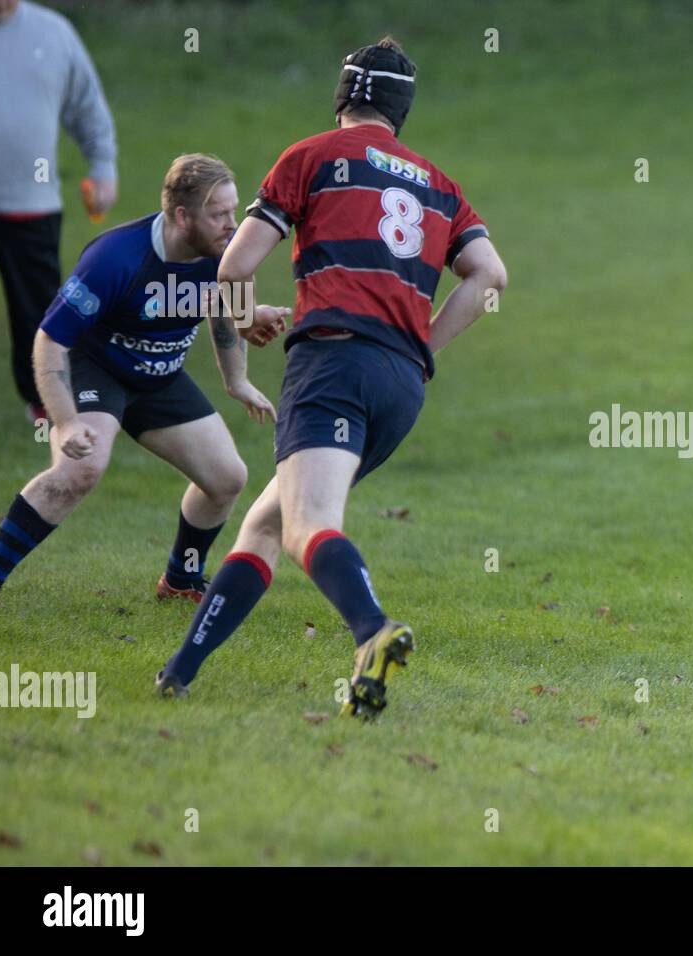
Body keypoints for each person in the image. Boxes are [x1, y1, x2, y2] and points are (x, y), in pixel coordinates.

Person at [156, 38, 507, 720]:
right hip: (401, 386)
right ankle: (178, 673)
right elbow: (490, 275)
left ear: (343, 96)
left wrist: (238, 354)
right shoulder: (438, 184)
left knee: (305, 524)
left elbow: (233, 268)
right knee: (264, 522)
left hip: (334, 363)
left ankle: (372, 629)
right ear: (401, 111)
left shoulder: (311, 157)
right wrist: (421, 347)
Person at [0, 154, 288, 599]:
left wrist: (238, 378)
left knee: (227, 478)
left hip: (160, 376)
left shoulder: (228, 251)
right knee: (80, 470)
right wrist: (67, 420)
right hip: (96, 368)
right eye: (219, 214)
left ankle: (180, 579)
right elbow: (49, 340)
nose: (233, 224)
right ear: (182, 216)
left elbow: (227, 308)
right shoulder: (115, 258)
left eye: (234, 211)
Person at [0, 0, 118, 422]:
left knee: (37, 309)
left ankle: (44, 401)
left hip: (29, 201)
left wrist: (102, 167)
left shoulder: (53, 33)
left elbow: (87, 106)